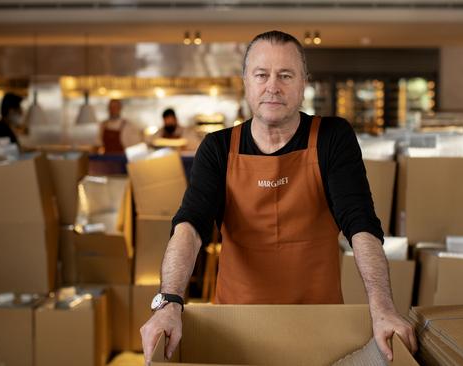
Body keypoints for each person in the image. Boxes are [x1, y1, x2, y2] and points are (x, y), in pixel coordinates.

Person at [140, 30, 417, 363]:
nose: (273, 86)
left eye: (286, 75)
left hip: (320, 324)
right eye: (262, 75)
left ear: (303, 84)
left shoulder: (332, 138)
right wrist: (169, 302)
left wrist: (383, 308)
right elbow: (190, 226)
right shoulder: (218, 148)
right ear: (246, 81)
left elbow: (361, 225)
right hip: (237, 326)